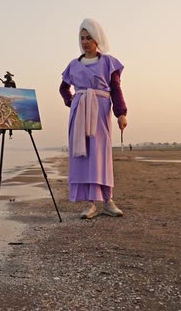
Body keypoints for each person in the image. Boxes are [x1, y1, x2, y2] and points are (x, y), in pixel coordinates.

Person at [59, 18, 127, 219]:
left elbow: (115, 89)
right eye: (82, 38)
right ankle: (90, 203)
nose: (85, 41)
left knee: (101, 155)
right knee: (84, 156)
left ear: (97, 39)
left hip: (100, 111)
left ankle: (108, 200)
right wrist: (72, 101)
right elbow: (63, 87)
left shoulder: (108, 62)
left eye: (89, 37)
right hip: (79, 113)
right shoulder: (73, 64)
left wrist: (121, 113)